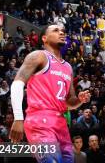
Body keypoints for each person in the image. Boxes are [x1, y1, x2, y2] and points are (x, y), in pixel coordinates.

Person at [9, 23, 91, 163]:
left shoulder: (68, 67)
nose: (61, 32)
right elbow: (17, 83)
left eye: (63, 31)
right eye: (56, 30)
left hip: (61, 122)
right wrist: (18, 117)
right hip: (39, 119)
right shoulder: (38, 56)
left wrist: (79, 100)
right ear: (44, 38)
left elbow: (68, 102)